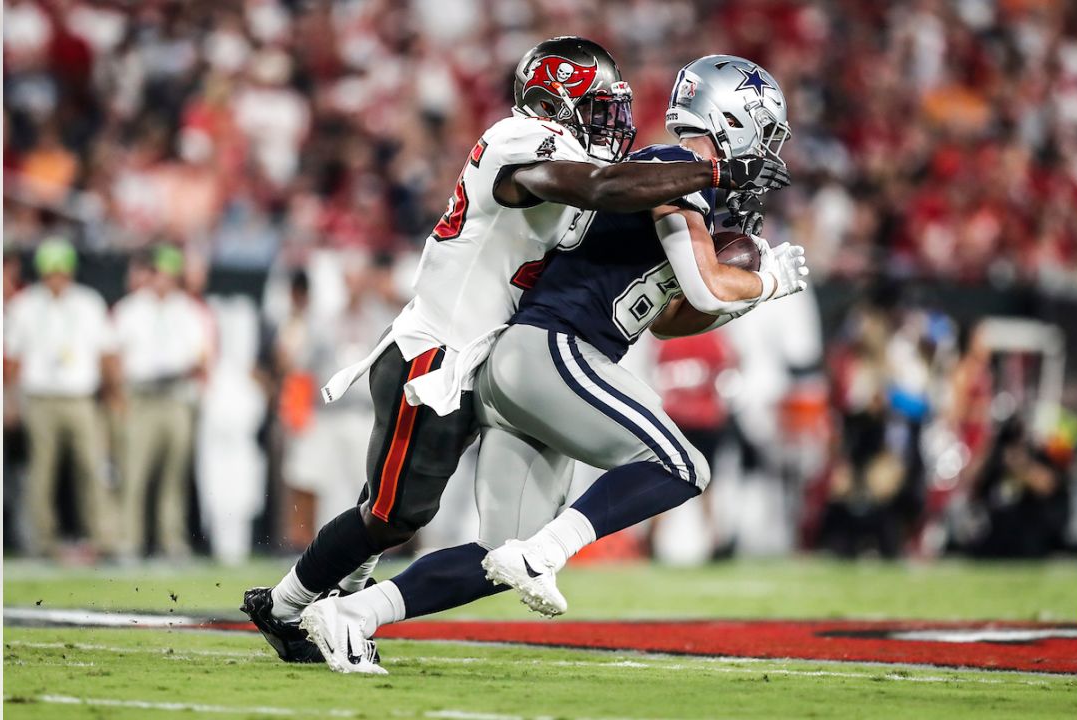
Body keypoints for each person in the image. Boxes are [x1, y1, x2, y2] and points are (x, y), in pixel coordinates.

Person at [240, 37, 791, 665]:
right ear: (556, 97)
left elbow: (643, 268)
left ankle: (330, 607)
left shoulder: (586, 165)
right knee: (393, 516)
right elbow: (599, 184)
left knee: (474, 540)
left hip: (485, 357)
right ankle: (293, 605)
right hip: (438, 354)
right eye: (599, 107)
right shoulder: (520, 140)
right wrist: (717, 175)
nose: (612, 122)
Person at [4, 238, 119, 559]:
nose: (56, 277)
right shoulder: (25, 305)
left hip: (79, 397)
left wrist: (112, 394)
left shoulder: (88, 302)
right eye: (50, 271)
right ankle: (40, 539)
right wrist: (10, 401)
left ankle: (103, 537)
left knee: (91, 466)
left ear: (70, 271)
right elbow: (12, 358)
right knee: (41, 470)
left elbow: (106, 353)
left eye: (61, 270)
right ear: (42, 272)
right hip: (40, 398)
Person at [111, 245, 209, 561]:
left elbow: (200, 358)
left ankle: (172, 541)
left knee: (174, 475)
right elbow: (114, 356)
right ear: (151, 274)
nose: (164, 281)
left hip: (176, 397)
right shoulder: (130, 309)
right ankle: (129, 541)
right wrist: (118, 396)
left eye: (171, 275)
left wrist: (177, 366)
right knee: (135, 471)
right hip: (141, 397)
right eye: (160, 274)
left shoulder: (189, 311)